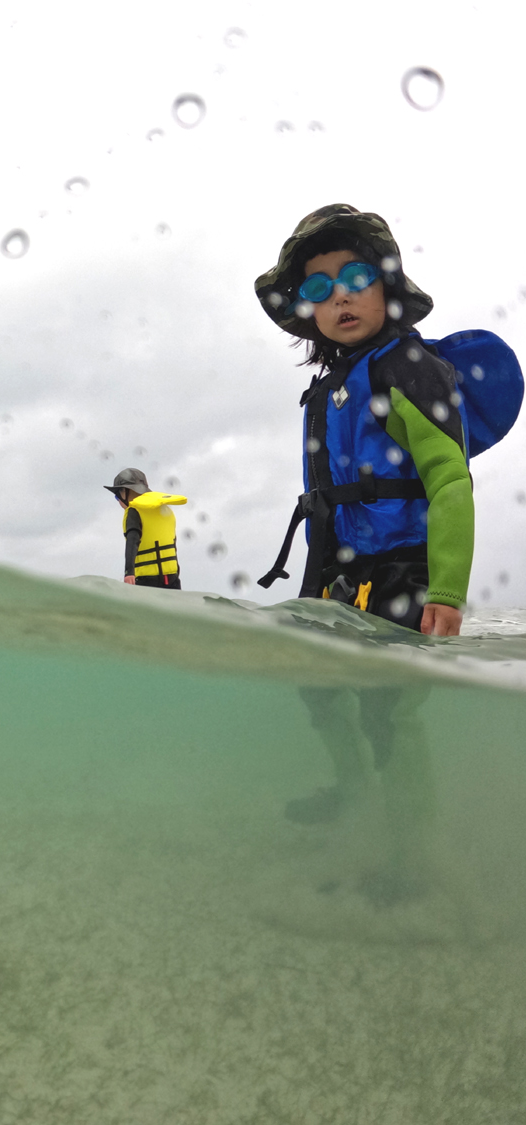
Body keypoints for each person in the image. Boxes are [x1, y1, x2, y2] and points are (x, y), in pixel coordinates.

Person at [251, 204, 504, 903]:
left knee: (389, 711)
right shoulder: (325, 390)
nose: (339, 294)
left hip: (405, 570)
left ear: (387, 285)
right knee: (318, 685)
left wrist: (447, 592)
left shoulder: (406, 368)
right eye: (317, 285)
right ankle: (354, 790)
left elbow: (451, 478)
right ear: (304, 310)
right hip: (341, 574)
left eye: (355, 274)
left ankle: (416, 855)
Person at [104, 467, 186, 589]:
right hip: (172, 579)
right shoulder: (166, 510)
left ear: (124, 492)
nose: (118, 501)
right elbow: (172, 544)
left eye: (117, 497)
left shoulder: (134, 511)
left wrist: (129, 573)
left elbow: (133, 540)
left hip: (146, 581)